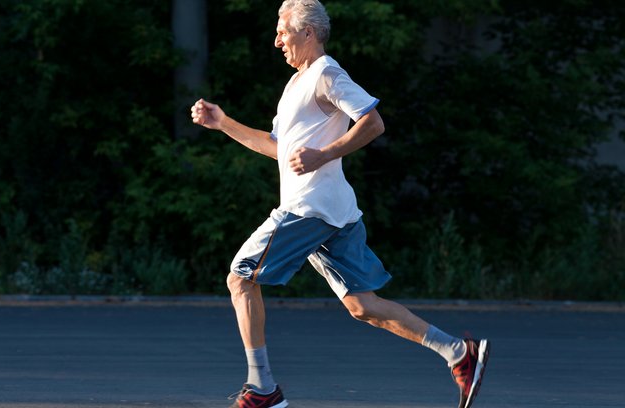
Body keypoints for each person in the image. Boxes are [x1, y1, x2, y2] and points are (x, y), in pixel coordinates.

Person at [191, 1, 490, 407]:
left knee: (240, 278)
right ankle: (459, 352)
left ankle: (262, 388)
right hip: (334, 210)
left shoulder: (326, 73)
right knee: (362, 305)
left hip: (309, 208)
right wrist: (223, 123)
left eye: (283, 31)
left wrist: (324, 154)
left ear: (308, 33)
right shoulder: (297, 83)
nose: (277, 40)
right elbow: (277, 148)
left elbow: (373, 121)